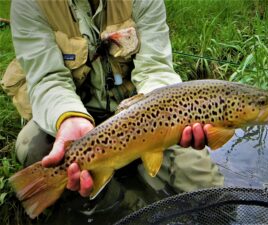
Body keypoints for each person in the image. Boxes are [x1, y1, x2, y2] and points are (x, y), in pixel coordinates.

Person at [6, 0, 223, 217]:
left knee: (215, 198)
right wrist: (68, 119)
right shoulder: (30, 4)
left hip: (144, 114)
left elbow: (155, 68)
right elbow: (48, 80)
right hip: (74, 116)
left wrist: (169, 115)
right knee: (31, 146)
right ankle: (121, 207)